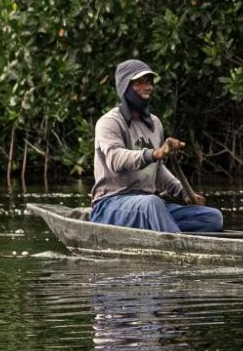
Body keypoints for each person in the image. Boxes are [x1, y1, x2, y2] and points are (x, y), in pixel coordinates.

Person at [89, 59, 224, 233]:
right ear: (125, 87)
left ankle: (171, 235)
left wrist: (183, 192)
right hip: (110, 205)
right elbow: (116, 159)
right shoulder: (109, 122)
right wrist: (154, 153)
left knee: (212, 217)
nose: (148, 87)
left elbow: (157, 169)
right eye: (140, 82)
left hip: (147, 206)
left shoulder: (154, 123)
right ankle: (178, 248)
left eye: (149, 82)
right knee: (152, 203)